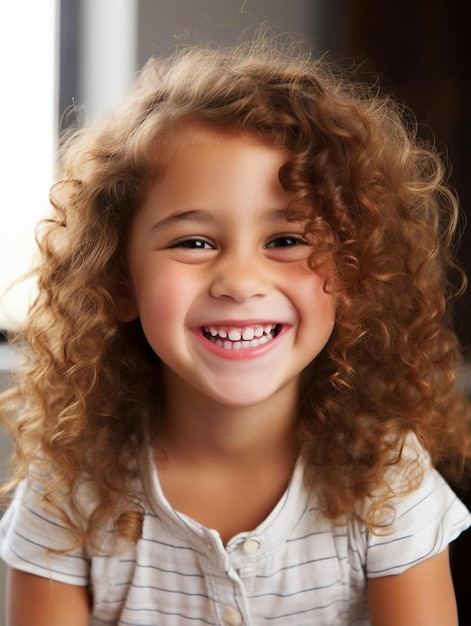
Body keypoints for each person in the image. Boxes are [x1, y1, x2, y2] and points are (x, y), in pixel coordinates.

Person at [1, 38, 470, 626]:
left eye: (286, 241)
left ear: (355, 274)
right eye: (194, 242)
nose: (241, 280)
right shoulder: (68, 489)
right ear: (117, 283)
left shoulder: (385, 477)